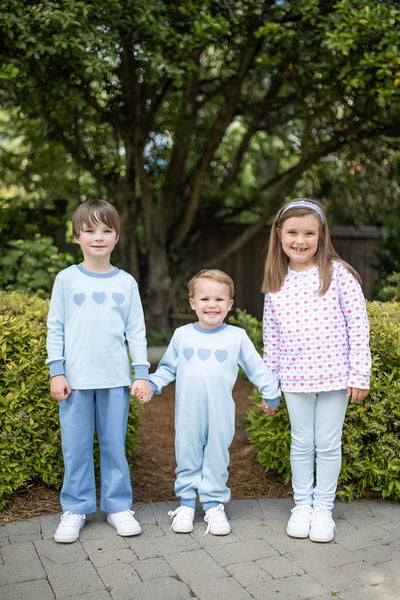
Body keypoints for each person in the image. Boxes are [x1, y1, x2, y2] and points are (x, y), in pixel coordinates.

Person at [131, 269, 280, 536]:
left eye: (219, 300)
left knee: (217, 455)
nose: (212, 305)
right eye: (205, 299)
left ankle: (213, 504)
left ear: (230, 304)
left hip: (221, 411)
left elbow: (258, 368)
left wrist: (271, 393)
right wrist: (152, 384)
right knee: (187, 452)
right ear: (192, 303)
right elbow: (167, 368)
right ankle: (187, 503)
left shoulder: (236, 337)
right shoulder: (182, 335)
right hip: (188, 412)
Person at [261, 198, 371, 543]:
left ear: (321, 235)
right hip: (295, 380)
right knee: (301, 443)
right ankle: (302, 506)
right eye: (293, 232)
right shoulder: (276, 281)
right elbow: (272, 340)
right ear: (279, 234)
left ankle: (323, 508)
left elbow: (358, 325)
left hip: (336, 378)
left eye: (309, 233)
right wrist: (269, 386)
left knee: (326, 443)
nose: (300, 240)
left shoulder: (338, 274)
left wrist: (359, 374)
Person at [46, 199, 153, 543]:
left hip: (116, 381)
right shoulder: (66, 279)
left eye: (106, 230)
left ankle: (118, 507)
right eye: (90, 230)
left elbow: (136, 331)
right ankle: (75, 509)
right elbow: (56, 327)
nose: (98, 237)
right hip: (74, 382)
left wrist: (141, 373)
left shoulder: (126, 283)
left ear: (117, 236)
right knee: (75, 448)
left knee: (113, 446)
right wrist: (56, 371)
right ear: (76, 236)